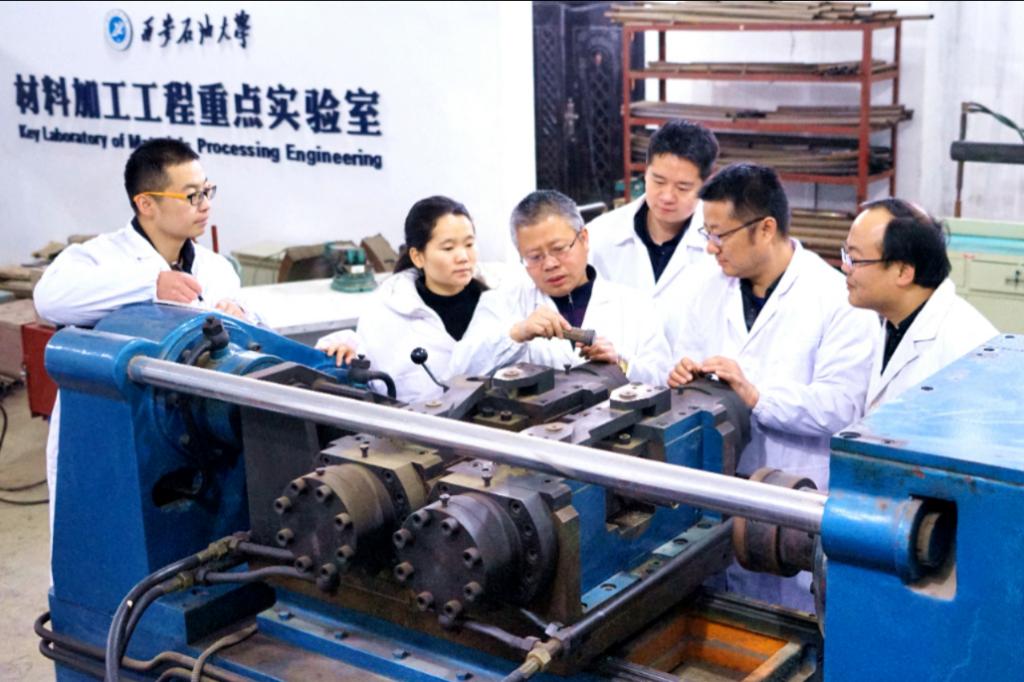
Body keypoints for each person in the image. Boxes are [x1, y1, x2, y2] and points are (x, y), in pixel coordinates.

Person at [664, 163, 877, 611]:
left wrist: (757, 396)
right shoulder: (708, 288)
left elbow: (842, 406)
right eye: (706, 233)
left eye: (719, 235)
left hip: (795, 502)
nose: (710, 247)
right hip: (720, 496)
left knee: (792, 625)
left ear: (765, 229)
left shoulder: (835, 298)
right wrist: (683, 375)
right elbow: (683, 354)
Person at [34, 137, 249, 534]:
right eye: (191, 195)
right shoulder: (96, 258)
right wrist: (150, 284)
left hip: (191, 430)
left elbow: (246, 334)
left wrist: (240, 315)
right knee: (105, 535)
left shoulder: (215, 267)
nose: (205, 205)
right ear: (146, 203)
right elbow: (49, 299)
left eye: (207, 191)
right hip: (110, 428)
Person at [451, 190, 671, 386]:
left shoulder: (635, 305)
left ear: (584, 239)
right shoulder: (500, 303)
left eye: (559, 249)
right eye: (534, 257)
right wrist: (517, 333)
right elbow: (458, 371)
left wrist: (622, 363)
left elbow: (663, 379)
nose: (550, 264)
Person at [316, 196, 487, 404]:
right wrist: (345, 355)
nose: (463, 257)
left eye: (469, 244)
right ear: (418, 257)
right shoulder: (387, 312)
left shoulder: (496, 302)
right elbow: (369, 374)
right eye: (448, 248)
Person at [842, 198, 998, 413]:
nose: (845, 267)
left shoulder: (966, 348)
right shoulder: (895, 321)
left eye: (855, 259)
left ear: (903, 272)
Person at [587, 119, 719, 346]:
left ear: (706, 185)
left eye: (682, 187)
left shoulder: (720, 248)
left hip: (690, 368)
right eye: (658, 181)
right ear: (645, 172)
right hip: (613, 367)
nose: (667, 196)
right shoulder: (600, 235)